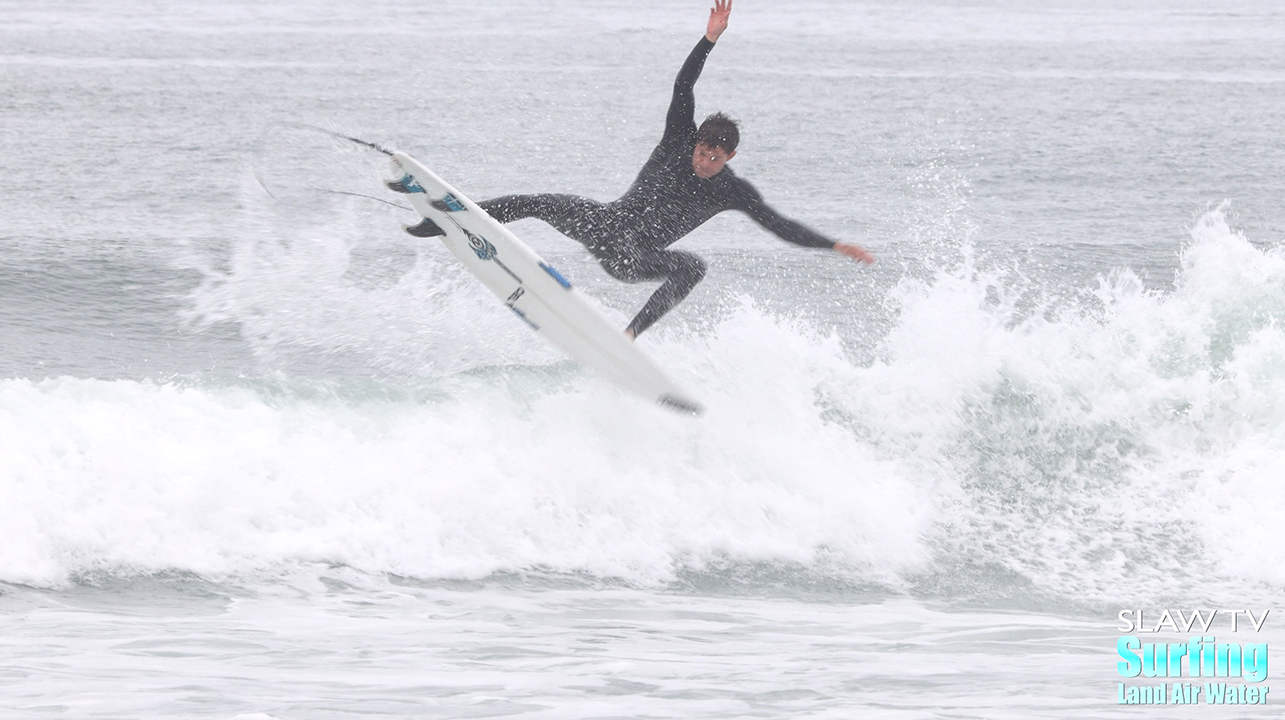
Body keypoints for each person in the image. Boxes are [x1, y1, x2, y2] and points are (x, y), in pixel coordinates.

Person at [404, 0, 874, 338]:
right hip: (603, 225)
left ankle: (628, 336)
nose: (705, 162)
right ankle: (443, 219)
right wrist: (709, 39)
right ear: (694, 142)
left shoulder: (733, 191)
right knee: (539, 201)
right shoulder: (676, 141)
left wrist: (834, 245)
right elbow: (683, 84)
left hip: (634, 258)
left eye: (715, 158)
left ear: (730, 158)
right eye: (702, 152)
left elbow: (780, 225)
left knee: (693, 268)